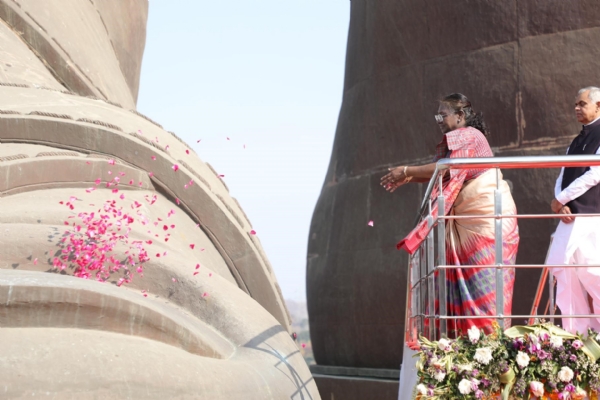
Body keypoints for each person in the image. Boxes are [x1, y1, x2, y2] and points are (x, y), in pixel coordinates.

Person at [380, 93, 520, 337]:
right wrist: (407, 176)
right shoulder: (461, 141)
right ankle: (471, 353)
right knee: (471, 291)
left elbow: (447, 168)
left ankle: (492, 352)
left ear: (460, 116)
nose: (438, 120)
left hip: (485, 222)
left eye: (442, 115)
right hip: (471, 222)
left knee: (486, 292)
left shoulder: (467, 135)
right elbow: (441, 170)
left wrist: (405, 171)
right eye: (438, 115)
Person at [546, 86, 600, 334]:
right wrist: (560, 201)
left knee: (593, 274)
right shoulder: (578, 139)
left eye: (582, 104)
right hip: (569, 218)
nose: (576, 108)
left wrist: (562, 199)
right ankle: (576, 337)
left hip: (590, 217)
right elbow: (563, 171)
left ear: (598, 106)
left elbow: (595, 175)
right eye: (576, 104)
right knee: (563, 273)